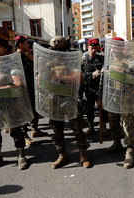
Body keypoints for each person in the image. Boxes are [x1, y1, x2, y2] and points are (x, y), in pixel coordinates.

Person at [0, 36, 29, 171]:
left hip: (10, 101)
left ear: (5, 48)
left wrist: (1, 89)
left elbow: (17, 83)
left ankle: (21, 156)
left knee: (16, 130)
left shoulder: (12, 63)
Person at [45, 36, 91, 168]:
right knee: (57, 131)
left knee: (77, 129)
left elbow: (79, 78)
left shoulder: (71, 61)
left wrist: (62, 79)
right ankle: (62, 155)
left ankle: (83, 154)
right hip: (54, 100)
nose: (57, 51)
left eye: (59, 48)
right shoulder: (48, 63)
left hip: (70, 99)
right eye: (54, 49)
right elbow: (40, 80)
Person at [102, 37, 134, 168]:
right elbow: (102, 82)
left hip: (127, 99)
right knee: (113, 123)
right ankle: (116, 143)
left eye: (116, 47)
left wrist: (119, 70)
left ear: (122, 48)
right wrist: (99, 98)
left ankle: (130, 150)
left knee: (127, 126)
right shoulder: (108, 61)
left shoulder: (130, 60)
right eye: (112, 47)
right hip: (112, 99)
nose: (114, 50)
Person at [14, 35, 48, 142]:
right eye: (27, 43)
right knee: (24, 112)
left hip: (32, 88)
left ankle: (35, 129)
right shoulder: (14, 58)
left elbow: (40, 68)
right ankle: (25, 136)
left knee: (34, 109)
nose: (28, 45)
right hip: (21, 90)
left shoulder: (27, 55)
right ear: (20, 44)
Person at [81, 38, 109, 137]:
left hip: (99, 87)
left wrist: (101, 73)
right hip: (88, 88)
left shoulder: (101, 58)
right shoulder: (83, 58)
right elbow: (79, 73)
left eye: (95, 48)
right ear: (88, 47)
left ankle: (104, 127)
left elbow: (106, 70)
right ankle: (91, 126)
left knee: (102, 107)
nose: (93, 50)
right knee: (89, 108)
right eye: (91, 48)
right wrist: (89, 75)